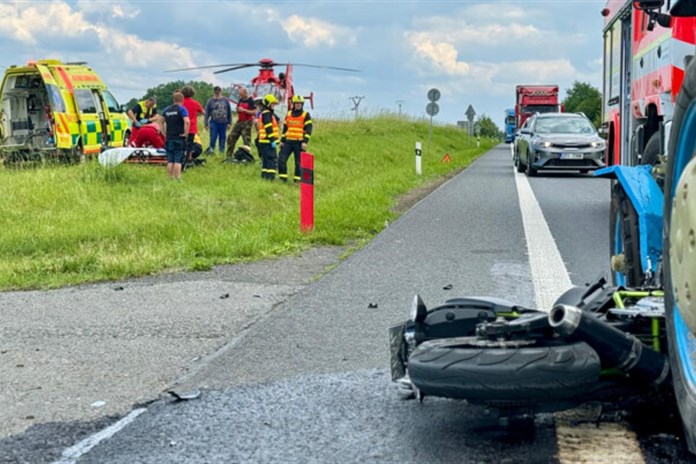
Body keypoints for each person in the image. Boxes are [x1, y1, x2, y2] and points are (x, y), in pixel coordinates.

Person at [279, 95, 313, 182]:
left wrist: (305, 141)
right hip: (288, 142)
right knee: (282, 159)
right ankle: (283, 179)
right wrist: (282, 140)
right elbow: (285, 129)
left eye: (300, 103)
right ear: (294, 104)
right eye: (297, 103)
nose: (298, 105)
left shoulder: (306, 115)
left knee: (298, 162)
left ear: (302, 104)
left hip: (299, 142)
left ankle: (297, 181)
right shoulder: (289, 114)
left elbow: (309, 129)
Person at [162, 91, 190, 181]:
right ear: (182, 100)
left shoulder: (166, 109)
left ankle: (169, 178)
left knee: (170, 160)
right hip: (179, 138)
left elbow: (159, 121)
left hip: (169, 137)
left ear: (173, 99)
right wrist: (185, 133)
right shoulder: (182, 109)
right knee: (178, 160)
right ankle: (177, 178)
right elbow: (187, 121)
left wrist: (163, 132)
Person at [224, 86, 256, 161]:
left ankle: (246, 157)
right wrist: (238, 110)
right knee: (231, 136)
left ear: (245, 93)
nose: (239, 95)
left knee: (246, 140)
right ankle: (229, 155)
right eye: (239, 94)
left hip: (247, 122)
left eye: (241, 94)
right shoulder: (241, 100)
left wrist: (244, 110)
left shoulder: (251, 100)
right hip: (239, 121)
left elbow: (254, 112)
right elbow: (238, 108)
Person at [256, 94, 280, 180]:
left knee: (266, 161)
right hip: (268, 142)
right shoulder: (267, 114)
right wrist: (272, 140)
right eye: (273, 104)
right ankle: (270, 177)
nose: (274, 106)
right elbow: (268, 128)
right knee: (272, 160)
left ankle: (265, 176)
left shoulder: (266, 113)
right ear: (268, 104)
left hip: (263, 142)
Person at [204, 86, 231, 155]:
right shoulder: (210, 101)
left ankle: (221, 152)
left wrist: (229, 122)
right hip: (214, 122)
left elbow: (229, 111)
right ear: (214, 92)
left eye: (218, 92)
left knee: (222, 138)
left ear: (220, 92)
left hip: (224, 122)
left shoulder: (225, 100)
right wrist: (206, 124)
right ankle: (211, 151)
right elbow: (206, 113)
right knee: (213, 137)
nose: (217, 94)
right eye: (216, 92)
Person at [181, 85, 205, 161]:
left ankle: (180, 157)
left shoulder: (180, 102)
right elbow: (203, 112)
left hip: (181, 127)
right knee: (190, 144)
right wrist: (195, 115)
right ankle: (189, 158)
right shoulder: (195, 103)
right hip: (191, 127)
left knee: (181, 143)